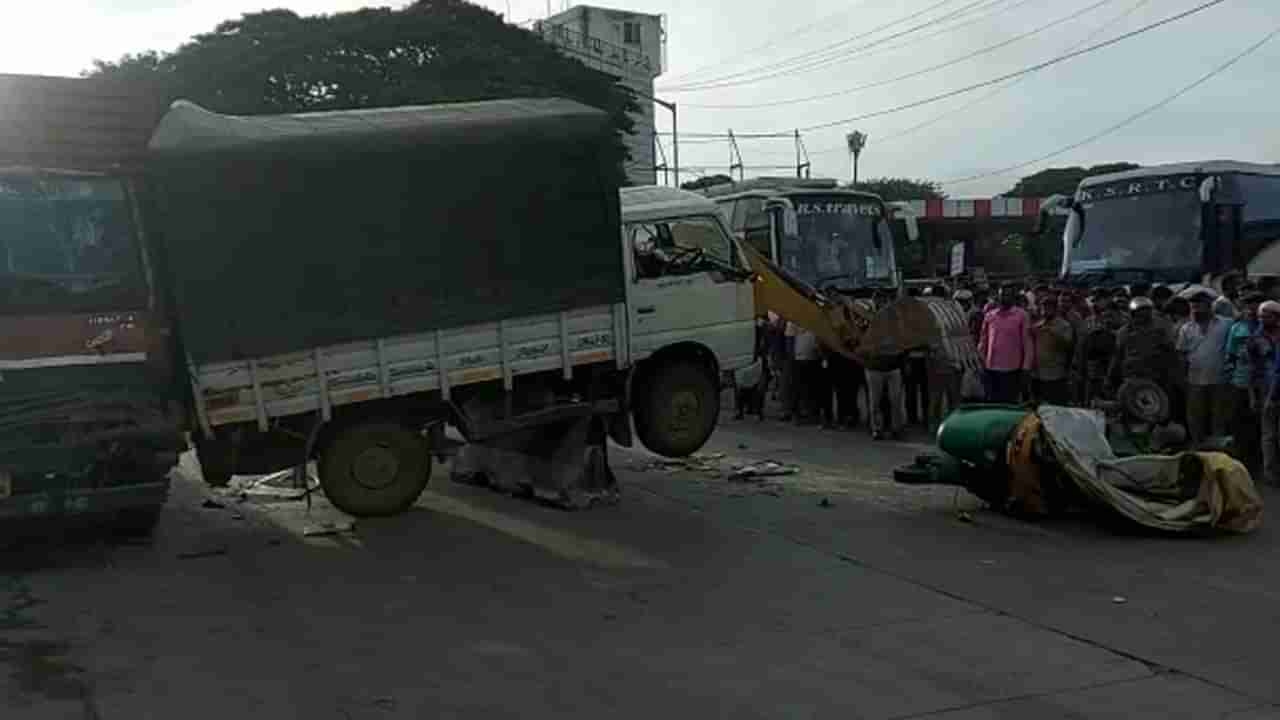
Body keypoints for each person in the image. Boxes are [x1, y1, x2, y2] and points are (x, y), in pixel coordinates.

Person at [1176, 291, 1233, 444]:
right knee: (1195, 418)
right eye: (1193, 307)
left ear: (1209, 307)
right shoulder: (1186, 328)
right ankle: (1197, 447)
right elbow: (1182, 355)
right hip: (1194, 380)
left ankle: (1218, 449)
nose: (1195, 310)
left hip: (1220, 379)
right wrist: (1182, 378)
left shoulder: (1226, 324)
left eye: (1199, 306)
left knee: (1219, 417)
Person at [1222, 293, 1264, 467]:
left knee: (1261, 423)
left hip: (1263, 382)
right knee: (1240, 422)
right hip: (1240, 381)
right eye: (1248, 305)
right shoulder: (1236, 328)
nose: (1251, 309)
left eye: (1255, 305)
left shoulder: (1268, 327)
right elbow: (1230, 355)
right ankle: (1244, 461)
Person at [1109, 296, 1178, 396]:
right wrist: (1110, 377)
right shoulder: (1124, 332)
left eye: (1146, 311)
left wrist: (1174, 376)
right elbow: (1117, 356)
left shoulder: (1161, 329)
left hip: (1157, 377)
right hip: (1132, 377)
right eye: (1140, 311)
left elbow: (1171, 353)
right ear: (1133, 313)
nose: (1143, 314)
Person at [978, 284, 1033, 404]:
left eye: (1008, 295)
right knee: (992, 404)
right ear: (998, 296)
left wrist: (1026, 367)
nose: (1005, 298)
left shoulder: (1022, 315)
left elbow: (1027, 343)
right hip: (990, 369)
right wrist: (981, 363)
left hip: (1012, 370)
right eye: (1003, 295)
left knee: (1009, 405)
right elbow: (983, 342)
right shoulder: (990, 315)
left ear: (1013, 297)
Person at [1029, 293, 1074, 406]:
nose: (1045, 310)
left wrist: (1052, 332)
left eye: (1049, 307)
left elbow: (1068, 346)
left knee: (1056, 407)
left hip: (1055, 375)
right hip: (1037, 374)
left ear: (1055, 309)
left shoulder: (1064, 325)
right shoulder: (1037, 325)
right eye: (1043, 307)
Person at [1255, 301, 1280, 485]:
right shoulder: (1256, 338)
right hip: (1266, 389)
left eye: (1267, 316)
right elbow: (1253, 368)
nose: (1263, 320)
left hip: (1275, 389)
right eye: (1261, 316)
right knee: (1268, 434)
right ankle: (1270, 472)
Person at [863, 340, 906, 440]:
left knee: (896, 399)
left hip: (894, 367)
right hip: (874, 367)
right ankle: (876, 429)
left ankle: (896, 429)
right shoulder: (869, 326)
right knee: (875, 400)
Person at [792, 327, 821, 424]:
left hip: (813, 359)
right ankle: (797, 414)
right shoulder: (797, 322)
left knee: (812, 389)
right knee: (799, 389)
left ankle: (812, 414)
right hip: (799, 359)